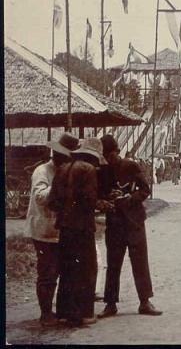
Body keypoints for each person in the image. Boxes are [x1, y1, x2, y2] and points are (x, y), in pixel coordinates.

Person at [96, 136, 162, 318]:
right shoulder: (102, 171)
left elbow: (145, 189)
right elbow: (99, 194)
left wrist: (130, 197)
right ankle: (110, 304)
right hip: (115, 223)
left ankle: (145, 301)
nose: (110, 159)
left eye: (112, 155)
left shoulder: (131, 166)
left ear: (117, 151)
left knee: (140, 262)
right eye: (106, 156)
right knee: (113, 264)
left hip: (134, 222)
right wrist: (108, 198)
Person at [46, 137, 104, 327]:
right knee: (86, 269)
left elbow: (52, 201)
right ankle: (83, 313)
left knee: (67, 269)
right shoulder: (88, 170)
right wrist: (101, 205)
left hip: (64, 227)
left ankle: (64, 312)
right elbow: (89, 200)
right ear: (92, 157)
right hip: (82, 227)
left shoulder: (63, 169)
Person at [25, 132, 80, 326]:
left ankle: (60, 310)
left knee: (63, 271)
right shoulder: (42, 171)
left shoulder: (66, 171)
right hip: (43, 229)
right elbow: (40, 196)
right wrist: (58, 185)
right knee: (47, 273)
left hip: (60, 230)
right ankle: (45, 313)